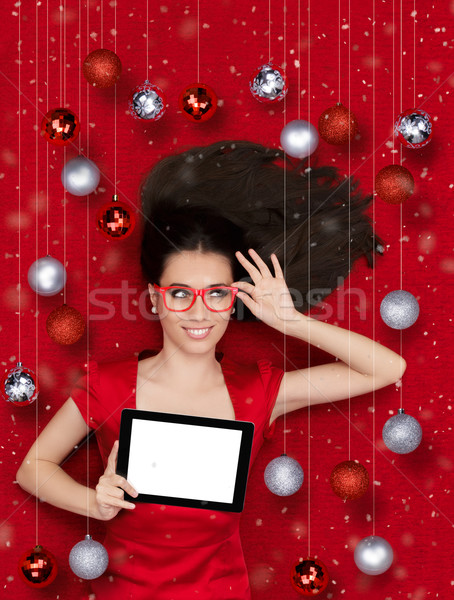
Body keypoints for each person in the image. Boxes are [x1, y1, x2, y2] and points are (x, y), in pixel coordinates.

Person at [16, 140, 406, 599]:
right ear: (154, 297)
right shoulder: (109, 383)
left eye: (217, 294)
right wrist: (94, 503)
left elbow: (384, 368)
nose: (199, 313)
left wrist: (290, 320)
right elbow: (32, 469)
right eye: (180, 294)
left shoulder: (259, 391)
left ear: (234, 300)